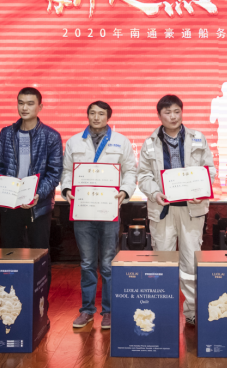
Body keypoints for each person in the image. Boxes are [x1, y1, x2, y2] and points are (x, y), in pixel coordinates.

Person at [136, 95, 216, 326]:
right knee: (163, 260)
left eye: (176, 111)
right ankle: (164, 311)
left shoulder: (198, 138)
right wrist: (154, 193)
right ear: (159, 115)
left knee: (191, 261)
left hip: (192, 209)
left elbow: (209, 169)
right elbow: (144, 176)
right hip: (163, 209)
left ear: (182, 112)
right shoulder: (149, 143)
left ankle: (192, 311)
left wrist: (202, 189)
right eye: (167, 112)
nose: (173, 116)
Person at [61, 101, 137, 330]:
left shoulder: (121, 141)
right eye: (92, 113)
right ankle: (86, 310)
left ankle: (109, 311)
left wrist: (125, 191)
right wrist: (66, 189)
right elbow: (67, 171)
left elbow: (130, 171)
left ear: (108, 117)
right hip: (82, 209)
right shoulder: (74, 141)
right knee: (86, 263)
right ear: (87, 115)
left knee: (107, 263)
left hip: (108, 209)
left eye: (101, 114)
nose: (96, 117)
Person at [0, 87, 63, 312]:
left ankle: (40, 303)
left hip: (38, 206)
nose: (24, 107)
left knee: (40, 254)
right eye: (21, 103)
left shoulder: (51, 136)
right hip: (10, 205)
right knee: (9, 254)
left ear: (40, 107)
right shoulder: (6, 133)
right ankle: (10, 303)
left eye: (30, 103)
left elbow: (54, 173)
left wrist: (37, 194)